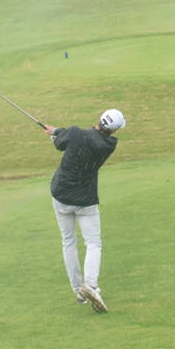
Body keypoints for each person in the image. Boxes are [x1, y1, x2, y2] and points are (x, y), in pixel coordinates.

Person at [42, 110, 124, 313]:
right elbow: (78, 137)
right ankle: (91, 286)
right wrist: (59, 131)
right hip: (85, 200)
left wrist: (56, 134)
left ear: (99, 119)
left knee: (68, 242)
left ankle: (79, 290)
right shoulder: (108, 145)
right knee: (93, 243)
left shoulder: (75, 133)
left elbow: (61, 143)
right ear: (113, 129)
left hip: (61, 195)